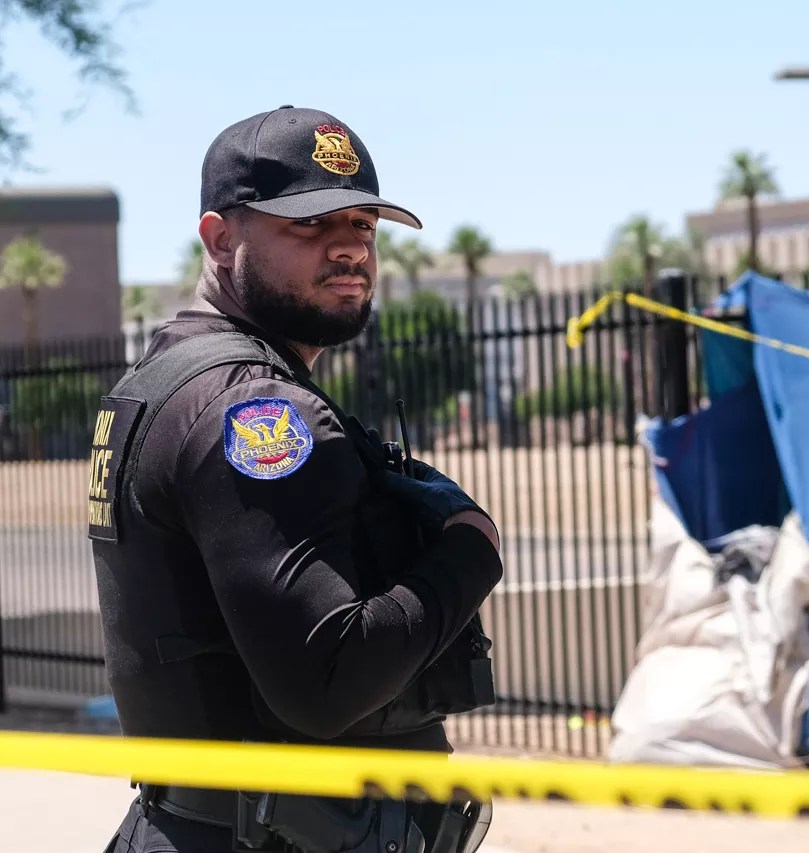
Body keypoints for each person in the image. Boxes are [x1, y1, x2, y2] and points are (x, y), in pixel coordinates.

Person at [89, 105, 503, 853]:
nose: (349, 248)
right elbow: (328, 678)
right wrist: (473, 549)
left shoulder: (166, 378)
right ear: (220, 238)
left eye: (363, 226)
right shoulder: (252, 407)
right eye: (310, 226)